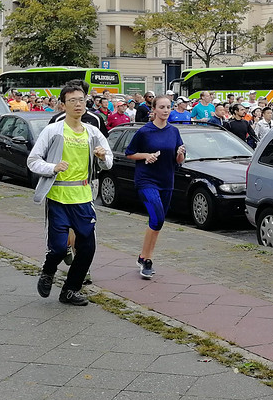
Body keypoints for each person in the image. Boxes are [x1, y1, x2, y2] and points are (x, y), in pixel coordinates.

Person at [28, 83, 113, 307]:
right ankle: (48, 271)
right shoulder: (53, 130)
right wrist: (53, 168)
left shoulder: (93, 132)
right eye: (72, 100)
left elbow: (109, 162)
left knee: (87, 248)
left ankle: (70, 290)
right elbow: (33, 161)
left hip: (83, 197)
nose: (78, 104)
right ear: (63, 104)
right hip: (58, 197)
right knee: (57, 248)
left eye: (81, 99)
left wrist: (102, 156)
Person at [124, 95, 186, 279]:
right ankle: (147, 259)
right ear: (154, 110)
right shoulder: (144, 131)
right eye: (162, 107)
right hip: (146, 181)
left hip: (167, 180)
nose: (166, 110)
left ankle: (143, 256)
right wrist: (145, 156)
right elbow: (129, 153)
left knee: (158, 222)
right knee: (157, 216)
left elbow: (179, 160)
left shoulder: (174, 131)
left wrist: (180, 154)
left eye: (168, 107)